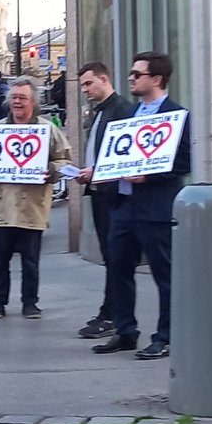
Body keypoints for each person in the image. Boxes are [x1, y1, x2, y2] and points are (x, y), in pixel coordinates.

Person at [92, 52, 191, 360]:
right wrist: (97, 172)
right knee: (118, 269)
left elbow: (183, 163)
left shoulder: (177, 115)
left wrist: (147, 177)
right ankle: (125, 331)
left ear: (156, 79)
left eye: (137, 74)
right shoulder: (131, 114)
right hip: (123, 204)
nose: (131, 78)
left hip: (155, 207)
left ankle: (166, 336)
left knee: (164, 274)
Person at [0, 78, 72, 319]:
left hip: (32, 207)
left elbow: (66, 161)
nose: (17, 102)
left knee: (30, 262)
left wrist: (51, 170)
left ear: (33, 102)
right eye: (13, 98)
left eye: (22, 98)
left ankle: (30, 303)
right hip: (2, 208)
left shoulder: (47, 130)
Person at [73, 62, 135, 339]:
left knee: (116, 259)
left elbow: (125, 155)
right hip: (100, 191)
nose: (84, 90)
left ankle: (112, 315)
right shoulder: (102, 111)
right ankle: (110, 312)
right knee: (111, 258)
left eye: (88, 84)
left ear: (103, 79)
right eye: (82, 85)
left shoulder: (120, 110)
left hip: (113, 195)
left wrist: (97, 172)